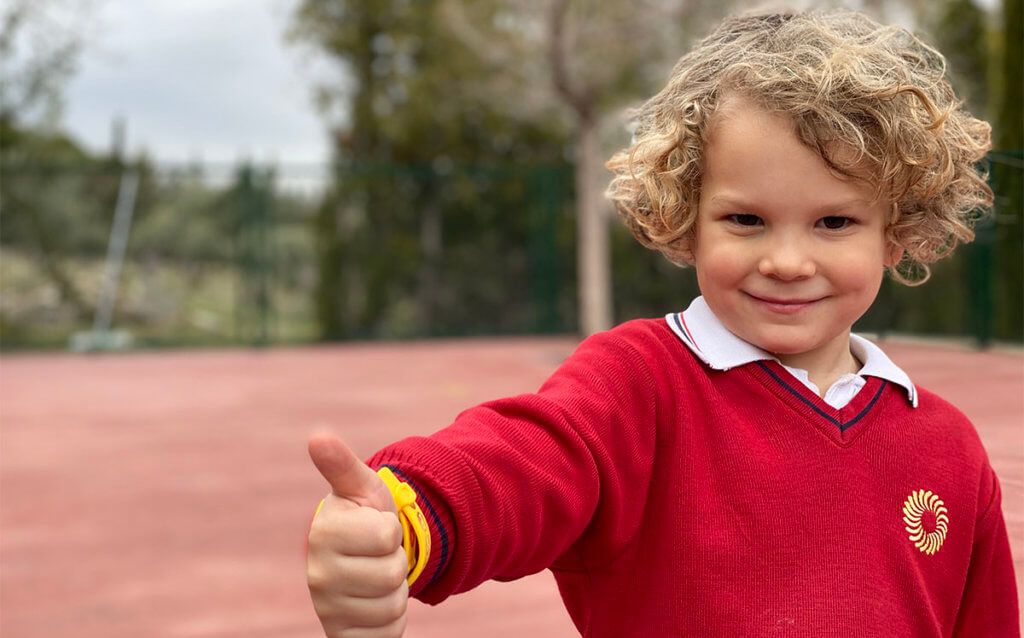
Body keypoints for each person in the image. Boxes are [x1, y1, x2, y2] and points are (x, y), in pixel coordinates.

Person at [305, 8, 1020, 637]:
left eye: (835, 221)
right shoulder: (637, 383)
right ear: (687, 219)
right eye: (746, 220)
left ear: (894, 234)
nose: (788, 260)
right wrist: (405, 518)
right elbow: (520, 460)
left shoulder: (949, 448)